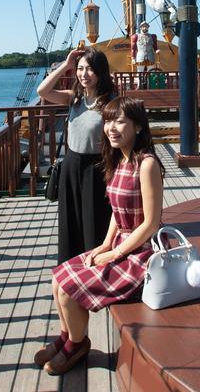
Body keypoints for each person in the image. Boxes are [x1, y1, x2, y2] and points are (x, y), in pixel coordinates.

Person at [35, 96, 164, 374]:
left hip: (141, 252)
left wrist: (115, 254)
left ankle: (77, 346)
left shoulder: (147, 164)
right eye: (108, 121)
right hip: (119, 243)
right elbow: (118, 211)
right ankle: (67, 337)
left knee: (69, 291)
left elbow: (151, 223)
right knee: (58, 279)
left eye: (120, 122)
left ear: (139, 127)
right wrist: (104, 244)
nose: (111, 128)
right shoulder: (119, 160)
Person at [37, 48, 116, 264]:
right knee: (70, 222)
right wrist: (66, 65)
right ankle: (71, 266)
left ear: (100, 71)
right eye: (80, 69)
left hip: (97, 168)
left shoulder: (110, 102)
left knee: (94, 223)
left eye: (89, 69)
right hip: (72, 165)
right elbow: (42, 91)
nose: (84, 74)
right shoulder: (74, 99)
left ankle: (94, 268)